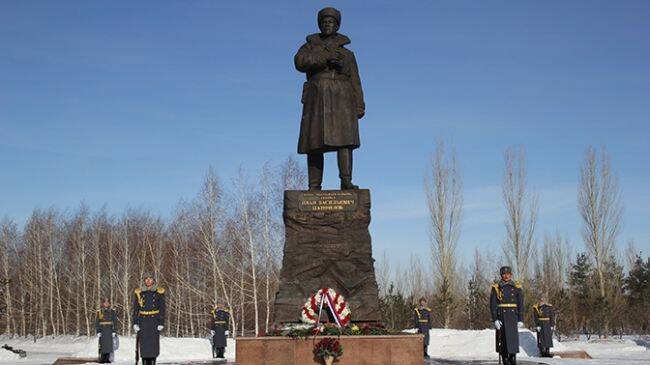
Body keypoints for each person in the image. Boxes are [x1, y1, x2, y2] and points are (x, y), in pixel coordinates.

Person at [295, 7, 366, 190]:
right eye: (324, 21)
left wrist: (359, 104)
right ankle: (314, 185)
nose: (328, 24)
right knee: (314, 142)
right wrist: (324, 57)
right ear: (320, 24)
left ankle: (346, 180)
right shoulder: (309, 46)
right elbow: (300, 62)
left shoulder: (348, 54)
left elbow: (355, 80)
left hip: (342, 98)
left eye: (331, 22)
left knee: (345, 141)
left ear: (337, 25)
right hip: (317, 96)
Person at [490, 266, 524, 365]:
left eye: (508, 274)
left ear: (511, 275)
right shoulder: (496, 288)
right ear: (501, 275)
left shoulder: (517, 287)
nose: (506, 276)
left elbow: (520, 303)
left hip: (513, 316)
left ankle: (513, 358)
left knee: (513, 340)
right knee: (503, 341)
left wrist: (520, 319)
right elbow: (493, 305)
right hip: (502, 317)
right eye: (504, 274)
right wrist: (495, 319)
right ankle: (505, 359)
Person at [132, 273, 165, 365]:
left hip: (154, 322)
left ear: (153, 280)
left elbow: (162, 308)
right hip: (143, 322)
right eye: (146, 279)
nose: (148, 281)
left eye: (150, 279)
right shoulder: (139, 292)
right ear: (144, 281)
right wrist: (135, 323)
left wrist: (161, 322)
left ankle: (153, 363)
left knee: (153, 346)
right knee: (144, 346)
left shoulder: (159, 292)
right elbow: (136, 309)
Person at [95, 297, 118, 363]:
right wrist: (98, 331)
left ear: (109, 304)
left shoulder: (112, 311)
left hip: (109, 330)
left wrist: (114, 331)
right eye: (105, 302)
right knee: (102, 345)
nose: (106, 303)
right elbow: (97, 322)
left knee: (108, 345)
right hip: (102, 330)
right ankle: (102, 358)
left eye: (107, 302)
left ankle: (108, 358)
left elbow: (115, 322)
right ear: (103, 303)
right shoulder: (99, 312)